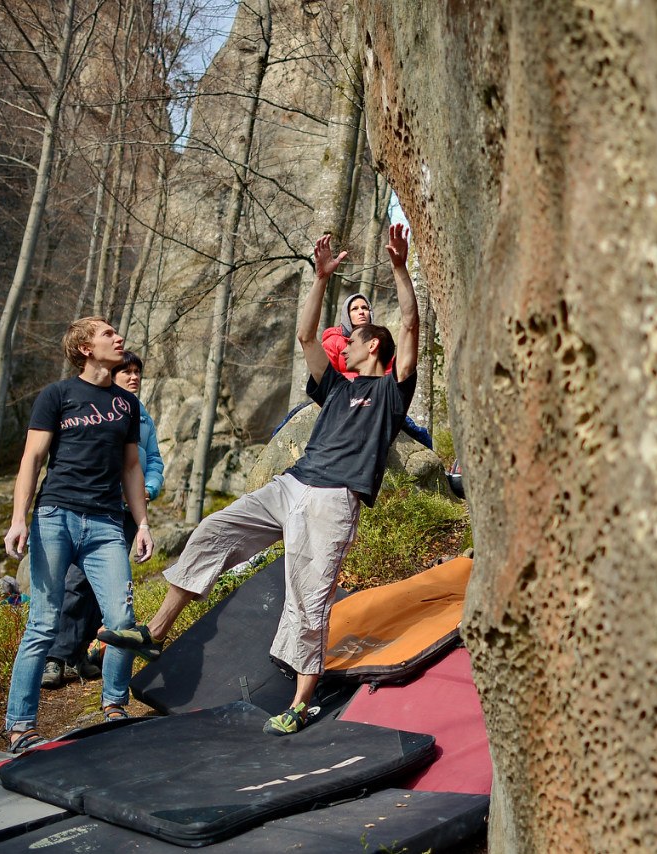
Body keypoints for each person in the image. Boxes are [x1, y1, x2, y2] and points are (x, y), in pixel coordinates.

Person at [99, 225, 419, 736]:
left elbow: (408, 325)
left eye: (354, 341)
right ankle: (155, 631)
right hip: (292, 485)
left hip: (334, 499)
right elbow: (306, 337)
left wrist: (400, 269)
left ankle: (300, 702)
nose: (346, 345)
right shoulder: (335, 386)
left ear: (373, 347)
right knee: (214, 531)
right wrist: (318, 279)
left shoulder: (390, 392)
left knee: (308, 599)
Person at [1, 317, 154, 753]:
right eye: (108, 334)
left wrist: (142, 523)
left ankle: (114, 707)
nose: (118, 337)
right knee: (43, 624)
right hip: (56, 516)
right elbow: (32, 459)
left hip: (106, 524)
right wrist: (18, 518)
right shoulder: (57, 395)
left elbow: (131, 467)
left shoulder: (127, 406)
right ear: (86, 348)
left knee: (122, 623)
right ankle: (20, 725)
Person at [40, 351, 164, 688]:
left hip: (127, 513)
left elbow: (152, 460)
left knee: (104, 591)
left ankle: (77, 654)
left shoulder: (141, 416)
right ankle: (55, 657)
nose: (134, 377)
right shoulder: (97, 408)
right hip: (94, 509)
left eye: (138, 372)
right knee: (76, 583)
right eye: (127, 371)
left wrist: (148, 489)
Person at [322, 292, 432, 449]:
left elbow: (390, 373)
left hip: (377, 397)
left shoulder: (380, 340)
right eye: (354, 309)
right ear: (346, 315)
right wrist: (354, 379)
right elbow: (327, 376)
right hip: (345, 398)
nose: (361, 312)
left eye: (365, 308)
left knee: (416, 430)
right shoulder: (333, 341)